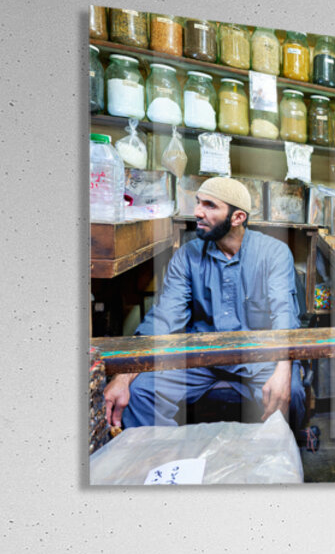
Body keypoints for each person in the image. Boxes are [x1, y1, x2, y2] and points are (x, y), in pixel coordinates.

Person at [103, 177, 305, 430]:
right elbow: (164, 319)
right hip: (201, 357)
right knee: (140, 391)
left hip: (259, 358)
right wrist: (124, 376)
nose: (197, 212)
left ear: (237, 217)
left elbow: (284, 314)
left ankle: (279, 462)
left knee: (293, 393)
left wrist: (284, 369)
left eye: (210, 205)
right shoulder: (187, 256)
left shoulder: (273, 253)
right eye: (198, 203)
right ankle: (162, 463)